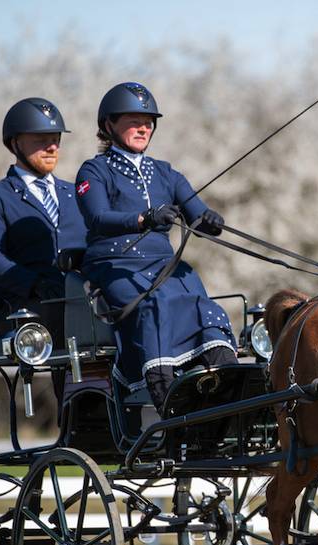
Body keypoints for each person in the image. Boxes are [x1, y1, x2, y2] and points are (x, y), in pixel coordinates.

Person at [75, 82, 237, 413]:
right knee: (156, 304)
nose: (143, 128)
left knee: (201, 304)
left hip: (165, 265)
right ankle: (167, 396)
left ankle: (226, 386)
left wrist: (209, 221)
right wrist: (143, 218)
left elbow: (196, 214)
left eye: (148, 122)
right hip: (115, 265)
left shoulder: (166, 173)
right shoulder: (94, 170)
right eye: (134, 121)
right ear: (109, 125)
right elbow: (96, 217)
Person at [0, 97, 87, 400]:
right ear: (15, 143)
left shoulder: (75, 194)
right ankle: (74, 410)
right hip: (24, 308)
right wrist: (33, 283)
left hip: (77, 302)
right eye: (41, 140)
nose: (51, 147)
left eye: (55, 139)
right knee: (67, 322)